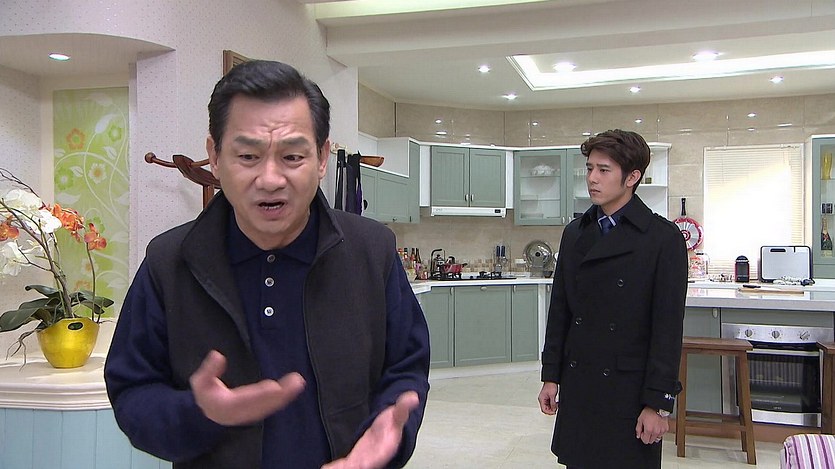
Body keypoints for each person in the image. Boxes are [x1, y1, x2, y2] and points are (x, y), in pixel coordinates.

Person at [105, 60, 431, 469]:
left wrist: (387, 433)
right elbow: (132, 392)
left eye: (292, 156)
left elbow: (405, 368)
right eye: (248, 156)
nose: (271, 179)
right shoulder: (169, 261)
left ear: (322, 157)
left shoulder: (372, 250)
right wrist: (200, 413)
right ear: (215, 156)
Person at [537, 129, 687, 468]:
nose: (592, 178)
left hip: (629, 391)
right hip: (580, 384)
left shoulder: (662, 238)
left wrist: (657, 404)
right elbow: (560, 311)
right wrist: (551, 376)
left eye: (604, 170)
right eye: (589, 168)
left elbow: (667, 329)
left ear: (632, 177)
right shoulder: (575, 233)